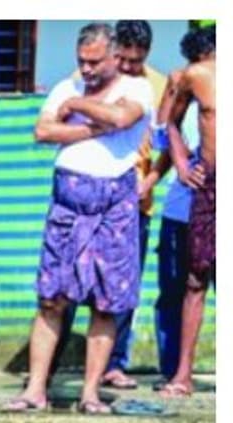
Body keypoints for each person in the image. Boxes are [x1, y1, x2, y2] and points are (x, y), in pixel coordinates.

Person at [3, 23, 152, 415]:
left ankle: (90, 392)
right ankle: (36, 388)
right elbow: (43, 130)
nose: (85, 70)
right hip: (68, 207)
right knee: (51, 298)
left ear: (115, 57)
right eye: (81, 61)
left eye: (94, 62)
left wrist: (79, 110)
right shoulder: (64, 87)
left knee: (105, 304)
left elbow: (122, 120)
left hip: (113, 207)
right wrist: (92, 126)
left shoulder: (136, 88)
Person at [54, 20, 167, 391]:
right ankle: (53, 364)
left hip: (134, 203)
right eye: (125, 59)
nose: (130, 66)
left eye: (137, 60)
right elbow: (49, 128)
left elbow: (167, 141)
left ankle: (114, 364)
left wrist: (149, 182)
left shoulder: (156, 86)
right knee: (64, 289)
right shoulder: (84, 79)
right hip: (83, 199)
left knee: (118, 291)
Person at [157, 27, 215, 399]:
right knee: (196, 280)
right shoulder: (198, 75)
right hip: (211, 185)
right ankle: (182, 375)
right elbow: (168, 124)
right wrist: (180, 162)